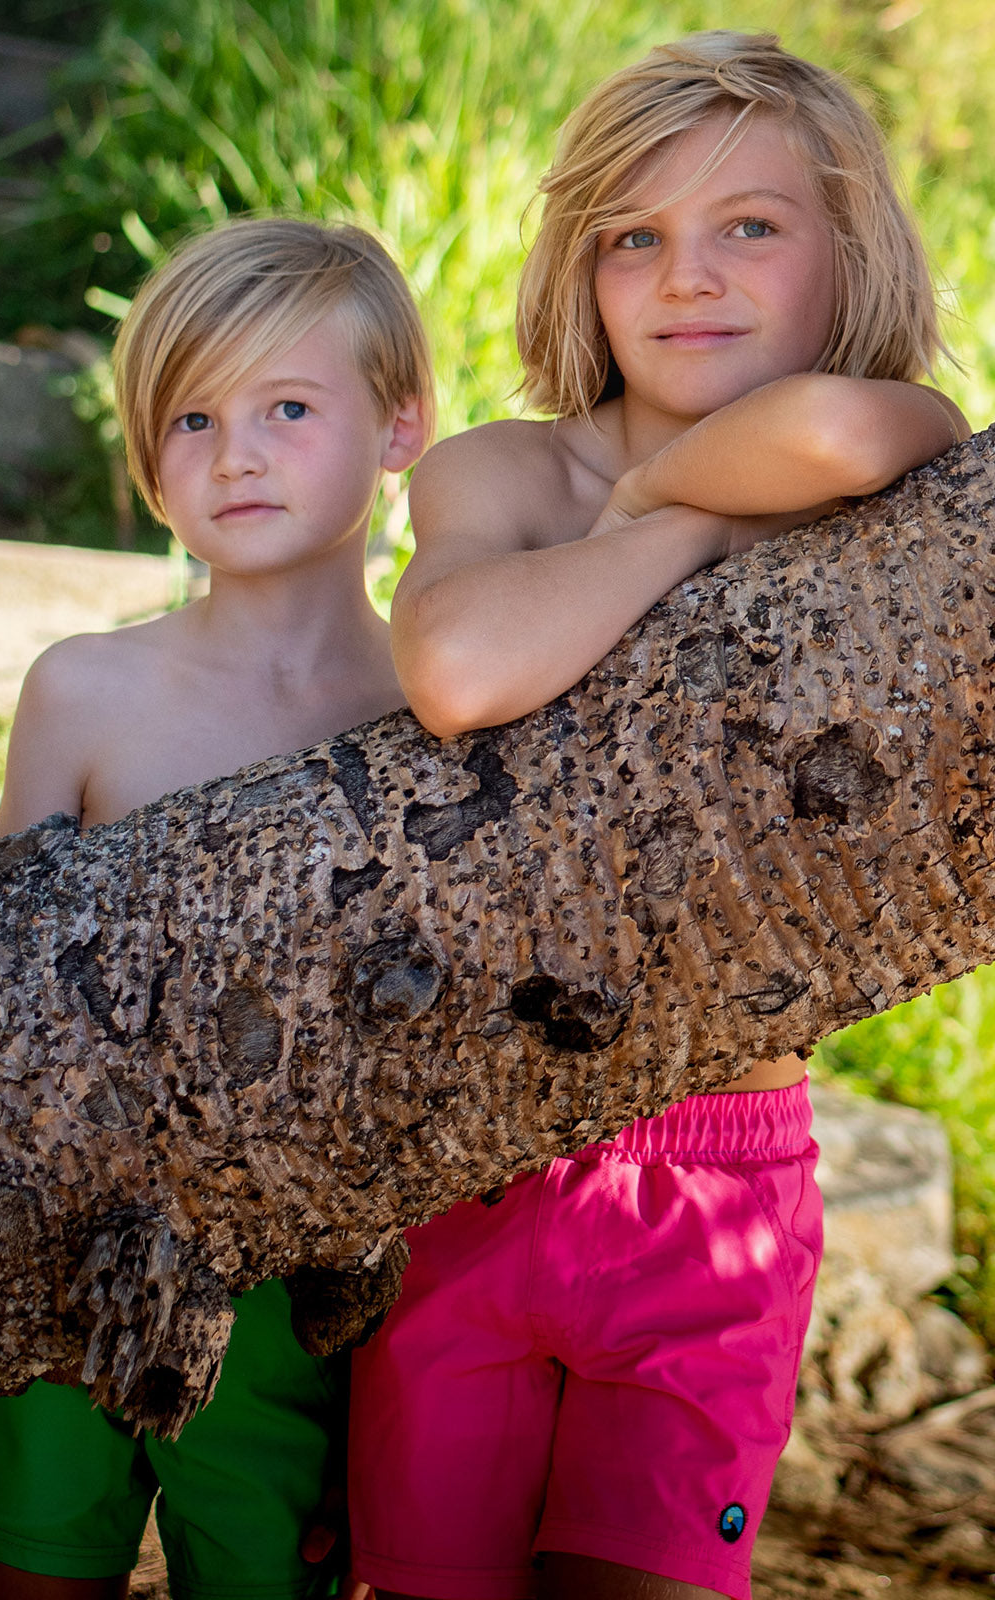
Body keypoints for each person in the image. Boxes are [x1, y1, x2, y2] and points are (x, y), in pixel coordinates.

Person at [348, 31, 968, 1600]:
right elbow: (462, 667)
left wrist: (646, 500)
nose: (688, 277)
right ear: (583, 269)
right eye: (635, 236)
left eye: (749, 225)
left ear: (850, 254)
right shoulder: (503, 474)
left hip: (716, 1174)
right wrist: (662, 517)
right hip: (475, 1161)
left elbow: (846, 433)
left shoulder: (894, 458)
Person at [0, 215, 433, 1600]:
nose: (236, 453)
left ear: (401, 423)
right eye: (192, 418)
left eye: (288, 408)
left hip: (300, 1302)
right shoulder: (85, 691)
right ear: (146, 461)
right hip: (55, 1272)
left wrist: (397, 1407)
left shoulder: (437, 709)